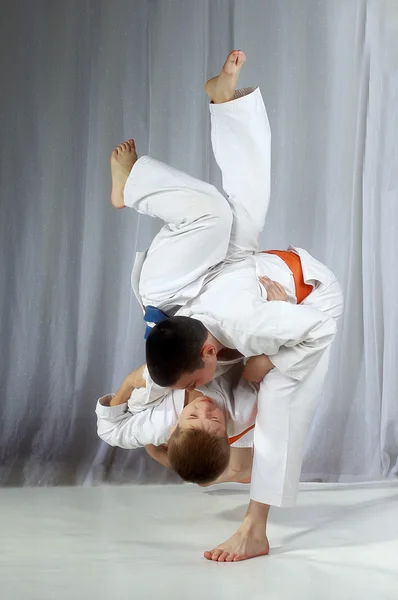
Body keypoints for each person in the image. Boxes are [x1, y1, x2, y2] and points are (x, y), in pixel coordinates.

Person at [108, 50, 343, 561]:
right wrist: (271, 348)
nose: (203, 407)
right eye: (212, 424)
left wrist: (131, 391)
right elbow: (232, 431)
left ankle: (135, 186)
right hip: (244, 280)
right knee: (246, 209)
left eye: (193, 414)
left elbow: (115, 429)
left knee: (215, 213)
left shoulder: (162, 396)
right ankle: (228, 105)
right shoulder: (221, 364)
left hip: (208, 288)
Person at [96, 359, 258, 485]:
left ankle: (172, 461)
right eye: (214, 419)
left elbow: (108, 431)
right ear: (228, 435)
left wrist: (129, 383)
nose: (204, 408)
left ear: (173, 430)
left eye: (193, 416)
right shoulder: (240, 410)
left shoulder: (159, 423)